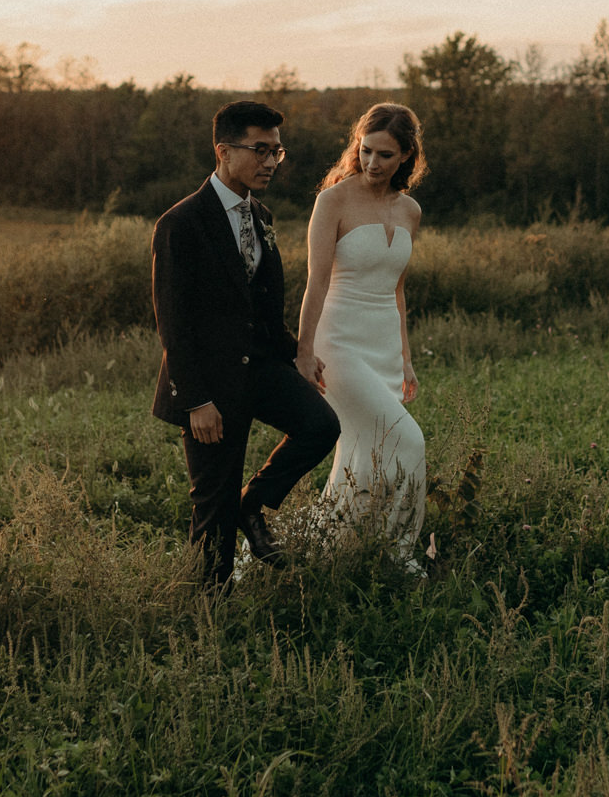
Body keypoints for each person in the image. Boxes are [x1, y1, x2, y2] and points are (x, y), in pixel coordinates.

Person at [151, 100, 340, 588]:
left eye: (278, 151)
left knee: (321, 425)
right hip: (210, 385)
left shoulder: (262, 215)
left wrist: (297, 353)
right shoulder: (181, 224)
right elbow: (174, 324)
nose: (272, 161)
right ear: (223, 151)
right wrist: (196, 400)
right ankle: (212, 607)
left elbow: (259, 309)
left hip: (259, 369)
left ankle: (251, 505)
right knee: (211, 507)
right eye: (260, 150)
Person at [295, 102, 427, 569]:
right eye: (366, 151)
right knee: (407, 442)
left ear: (407, 156)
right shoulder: (333, 201)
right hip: (340, 344)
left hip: (385, 346)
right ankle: (401, 558)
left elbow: (397, 289)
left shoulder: (410, 210)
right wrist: (304, 349)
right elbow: (317, 282)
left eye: (385, 155)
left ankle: (334, 552)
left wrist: (406, 358)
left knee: (365, 455)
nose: (373, 163)